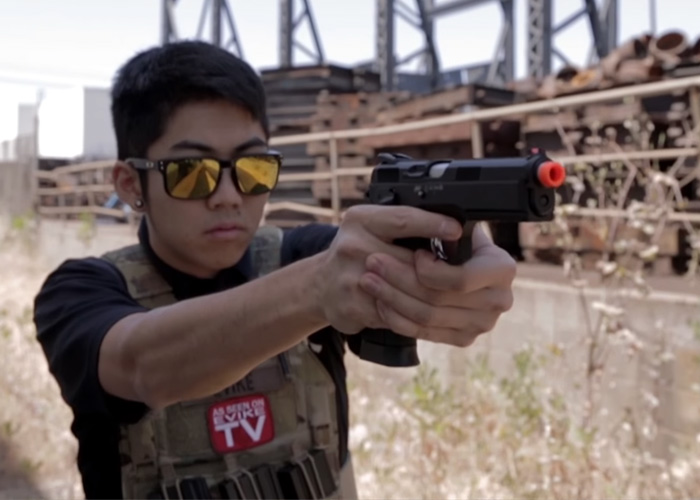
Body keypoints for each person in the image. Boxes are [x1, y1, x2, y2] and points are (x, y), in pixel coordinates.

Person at [33, 40, 517, 500]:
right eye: (192, 173)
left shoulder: (301, 254)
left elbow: (378, 260)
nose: (228, 196)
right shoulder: (79, 292)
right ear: (130, 184)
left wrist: (455, 262)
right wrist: (317, 289)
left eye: (253, 169)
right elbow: (141, 366)